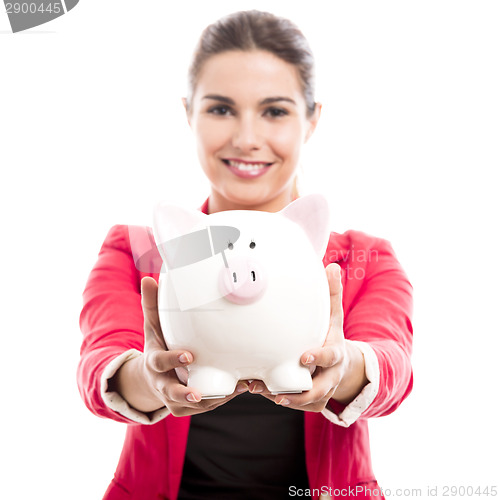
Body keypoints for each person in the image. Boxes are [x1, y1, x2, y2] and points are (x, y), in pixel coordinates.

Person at [78, 10, 413, 500]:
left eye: (275, 111)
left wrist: (345, 368)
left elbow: (394, 366)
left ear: (312, 118)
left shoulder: (365, 259)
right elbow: (99, 364)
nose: (247, 138)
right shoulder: (140, 251)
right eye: (221, 109)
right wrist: (149, 379)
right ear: (189, 113)